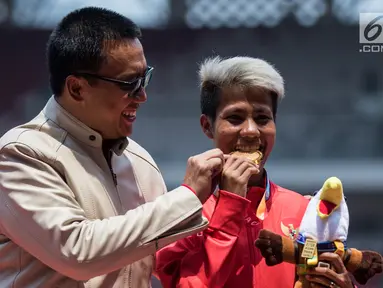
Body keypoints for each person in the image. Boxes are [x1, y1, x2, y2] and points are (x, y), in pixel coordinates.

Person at [0, 7, 226, 288]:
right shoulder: (20, 154)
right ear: (77, 89)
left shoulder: (139, 161)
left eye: (145, 78)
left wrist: (234, 206)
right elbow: (78, 254)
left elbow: (165, 260)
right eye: (130, 84)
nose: (142, 96)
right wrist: (188, 196)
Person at [155, 56, 355, 288]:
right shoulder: (183, 216)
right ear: (207, 126)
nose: (251, 131)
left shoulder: (304, 211)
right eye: (235, 118)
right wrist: (230, 205)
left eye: (262, 119)